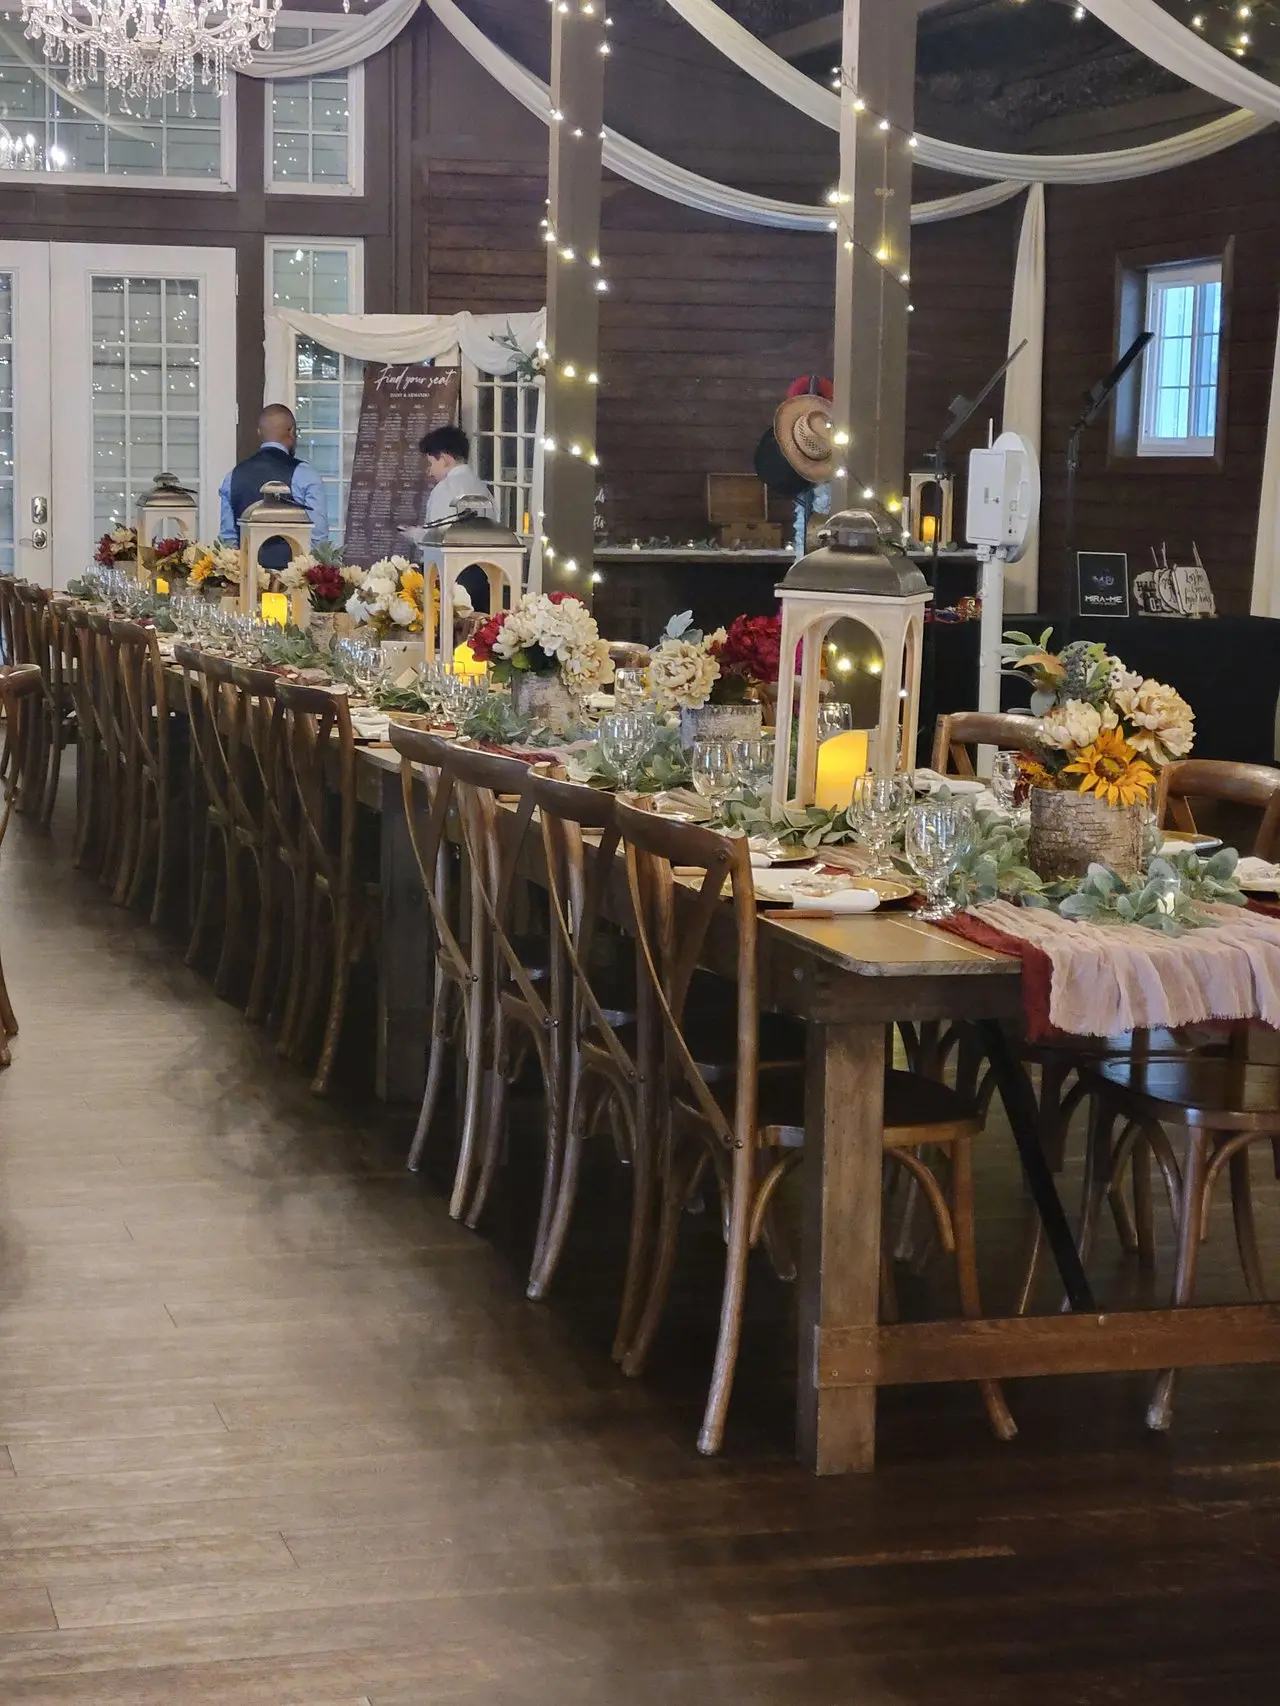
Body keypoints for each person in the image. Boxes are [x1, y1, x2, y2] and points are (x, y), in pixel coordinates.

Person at [218, 404, 329, 571]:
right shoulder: (306, 475)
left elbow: (228, 539)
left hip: (248, 578)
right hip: (293, 579)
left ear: (259, 433)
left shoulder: (232, 476)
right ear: (291, 432)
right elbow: (318, 539)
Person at [418, 425, 497, 527]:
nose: (430, 472)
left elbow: (438, 533)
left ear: (444, 460)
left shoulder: (445, 488)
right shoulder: (482, 488)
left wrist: (414, 533)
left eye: (431, 463)